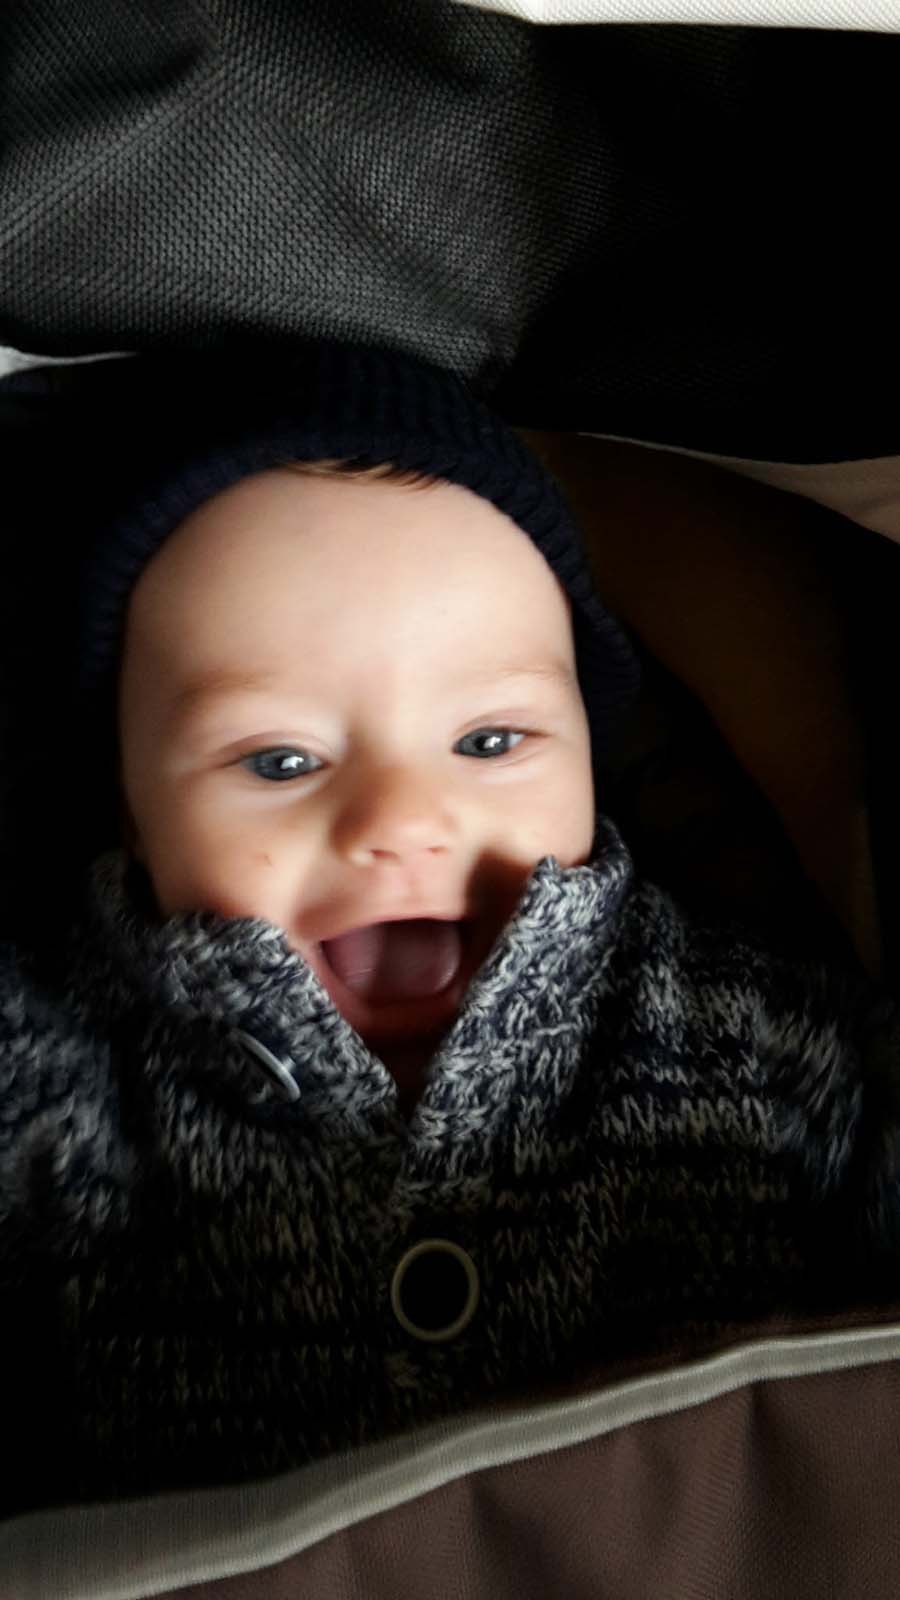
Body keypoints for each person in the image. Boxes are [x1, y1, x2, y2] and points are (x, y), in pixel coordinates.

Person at [1, 338, 896, 1524]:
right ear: (132, 813)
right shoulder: (56, 1074)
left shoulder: (752, 1035)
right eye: (279, 761)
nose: (401, 820)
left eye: (489, 741)